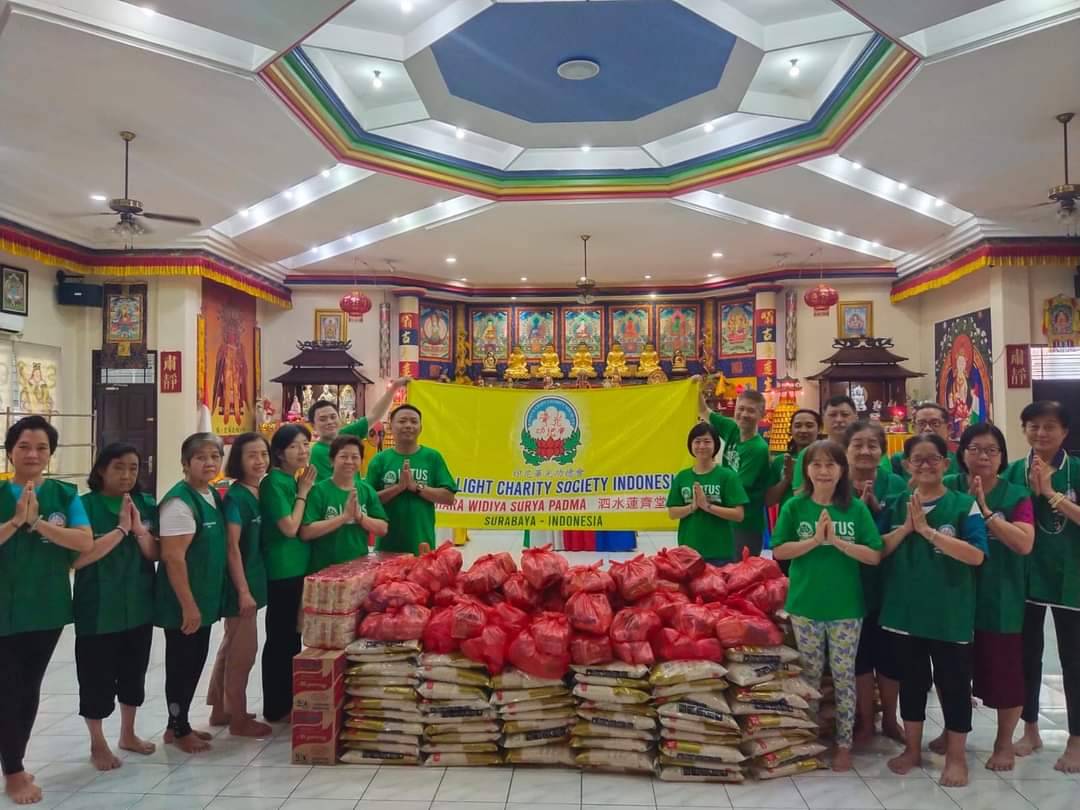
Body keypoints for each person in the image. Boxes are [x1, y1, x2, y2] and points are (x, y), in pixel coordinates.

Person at [880, 433, 987, 786]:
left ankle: (956, 757)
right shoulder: (895, 504)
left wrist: (928, 532)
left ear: (946, 463)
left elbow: (976, 555)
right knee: (912, 684)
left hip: (949, 614)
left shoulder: (963, 505)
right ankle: (912, 749)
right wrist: (907, 529)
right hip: (904, 613)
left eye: (933, 459)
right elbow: (876, 550)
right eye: (918, 459)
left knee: (954, 686)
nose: (925, 465)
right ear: (906, 465)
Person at [772, 439, 882, 771]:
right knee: (809, 675)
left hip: (846, 608)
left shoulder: (855, 509)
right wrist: (814, 541)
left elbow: (874, 555)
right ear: (806, 470)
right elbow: (779, 550)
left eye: (830, 464)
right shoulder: (794, 506)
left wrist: (836, 542)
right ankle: (809, 738)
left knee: (844, 676)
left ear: (842, 470)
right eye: (816, 464)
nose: (823, 471)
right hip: (805, 605)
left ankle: (844, 744)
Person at [928, 422, 1032, 771]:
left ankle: (1003, 743)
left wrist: (985, 512)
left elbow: (1024, 543)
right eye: (974, 449)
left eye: (991, 450)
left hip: (1000, 595)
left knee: (1004, 673)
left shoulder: (1016, 495)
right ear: (962, 454)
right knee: (950, 671)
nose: (983, 456)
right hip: (952, 592)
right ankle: (952, 730)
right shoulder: (948, 486)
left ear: (1002, 457)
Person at [0, 416, 93, 805]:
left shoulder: (64, 495)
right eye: (24, 446)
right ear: (10, 452)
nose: (32, 454)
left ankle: (14, 761)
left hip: (46, 606)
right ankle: (13, 772)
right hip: (4, 606)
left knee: (28, 687)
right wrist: (15, 521)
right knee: (9, 688)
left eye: (41, 448)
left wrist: (37, 523)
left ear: (51, 453)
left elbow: (84, 541)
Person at [1004, 400, 1080, 772]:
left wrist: (1050, 493)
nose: (1041, 433)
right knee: (1026, 656)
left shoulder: (1076, 470)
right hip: (1025, 576)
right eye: (1033, 426)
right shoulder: (1013, 472)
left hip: (1071, 578)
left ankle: (1076, 740)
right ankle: (1030, 729)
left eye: (1050, 426)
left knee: (1074, 660)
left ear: (1065, 431)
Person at [73, 443, 158, 771]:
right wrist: (121, 529)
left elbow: (155, 553)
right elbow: (78, 559)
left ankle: (128, 733)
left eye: (133, 468)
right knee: (96, 678)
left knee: (133, 673)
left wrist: (138, 530)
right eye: (119, 467)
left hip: (138, 604)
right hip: (98, 608)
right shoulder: (83, 507)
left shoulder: (145, 504)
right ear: (101, 470)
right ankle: (97, 742)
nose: (126, 475)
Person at [153, 433, 228, 754]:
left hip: (204, 597)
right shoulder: (179, 502)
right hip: (184, 602)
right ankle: (178, 728)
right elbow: (173, 557)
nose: (209, 463)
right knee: (181, 663)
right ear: (185, 463)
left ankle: (178, 723)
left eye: (215, 456)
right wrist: (188, 605)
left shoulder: (209, 494)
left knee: (195, 660)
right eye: (201, 457)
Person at [843, 421, 907, 747]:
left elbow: (901, 526)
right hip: (849, 582)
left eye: (872, 445)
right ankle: (866, 722)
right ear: (846, 449)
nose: (865, 451)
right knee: (860, 657)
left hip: (889, 582)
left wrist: (876, 511)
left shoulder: (895, 483)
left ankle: (891, 719)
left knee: (890, 657)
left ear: (882, 450)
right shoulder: (836, 483)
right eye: (858, 444)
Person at [207, 433, 273, 738]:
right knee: (243, 652)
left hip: (251, 579)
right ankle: (238, 719)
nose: (259, 461)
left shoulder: (257, 491)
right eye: (251, 455)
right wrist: (243, 591)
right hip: (239, 584)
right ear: (238, 460)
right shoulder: (236, 498)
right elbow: (232, 547)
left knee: (230, 644)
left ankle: (220, 709)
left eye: (263, 454)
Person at [260, 423, 316, 723]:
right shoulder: (274, 483)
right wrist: (303, 493)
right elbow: (290, 527)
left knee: (293, 637)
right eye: (294, 446)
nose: (302, 450)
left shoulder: (291, 479)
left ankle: (288, 701)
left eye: (305, 444)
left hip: (298, 568)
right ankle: (275, 706)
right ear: (279, 453)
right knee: (280, 638)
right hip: (282, 570)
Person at [366, 405, 457, 555]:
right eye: (402, 421)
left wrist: (416, 487)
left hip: (422, 547)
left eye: (414, 422)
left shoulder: (432, 457)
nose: (408, 425)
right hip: (386, 548)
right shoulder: (379, 460)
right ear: (390, 427)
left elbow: (449, 498)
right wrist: (398, 488)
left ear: (420, 428)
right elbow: (368, 502)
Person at [695, 385, 771, 556]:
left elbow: (736, 489)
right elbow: (703, 411)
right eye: (741, 408)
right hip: (725, 519)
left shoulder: (758, 449)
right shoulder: (732, 429)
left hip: (745, 524)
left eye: (751, 411)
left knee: (740, 570)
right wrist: (696, 387)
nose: (744, 414)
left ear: (762, 414)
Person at [301, 435, 388, 571]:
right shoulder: (318, 491)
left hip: (358, 569)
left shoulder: (366, 490)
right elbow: (306, 532)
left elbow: (382, 529)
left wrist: (360, 517)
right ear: (332, 461)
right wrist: (344, 517)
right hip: (324, 570)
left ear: (361, 461)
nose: (349, 461)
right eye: (343, 456)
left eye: (355, 457)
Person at [666, 422, 748, 564]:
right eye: (697, 441)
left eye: (707, 441)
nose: (702, 446)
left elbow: (739, 514)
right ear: (690, 445)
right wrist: (692, 507)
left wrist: (707, 506)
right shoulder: (682, 477)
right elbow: (672, 513)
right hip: (688, 553)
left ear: (715, 445)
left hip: (720, 553)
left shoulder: (727, 476)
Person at [308, 377, 410, 480]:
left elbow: (374, 416)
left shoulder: (346, 434)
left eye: (333, 417)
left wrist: (394, 388)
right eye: (323, 419)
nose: (330, 422)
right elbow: (332, 486)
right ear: (313, 425)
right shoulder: (317, 452)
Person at [791, 395, 858, 490]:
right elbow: (799, 494)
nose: (839, 420)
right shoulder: (808, 453)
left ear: (856, 417)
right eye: (832, 415)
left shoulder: (866, 452)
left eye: (845, 415)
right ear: (823, 419)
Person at [765, 408, 822, 510]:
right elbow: (769, 500)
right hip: (788, 517)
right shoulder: (780, 461)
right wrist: (786, 480)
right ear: (790, 430)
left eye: (809, 426)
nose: (803, 430)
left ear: (819, 429)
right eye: (798, 426)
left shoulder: (827, 461)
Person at [887, 402, 960, 480]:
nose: (927, 428)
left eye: (935, 423)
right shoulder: (899, 459)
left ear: (949, 428)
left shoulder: (959, 460)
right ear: (913, 428)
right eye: (921, 424)